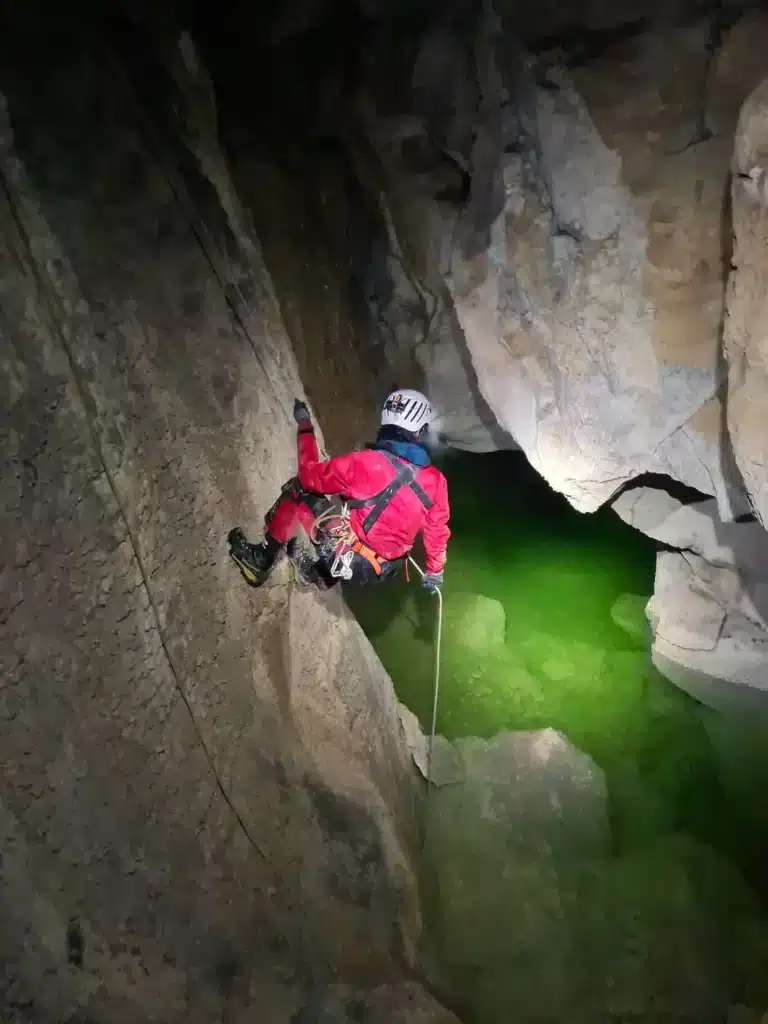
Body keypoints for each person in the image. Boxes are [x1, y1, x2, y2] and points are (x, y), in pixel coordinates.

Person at [228, 389, 450, 592]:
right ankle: (315, 576)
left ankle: (260, 561)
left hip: (348, 557)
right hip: (383, 569)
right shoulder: (437, 481)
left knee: (298, 490)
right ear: (420, 432)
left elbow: (308, 476)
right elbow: (437, 532)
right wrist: (435, 572)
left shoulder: (365, 463)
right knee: (356, 517)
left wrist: (305, 425)